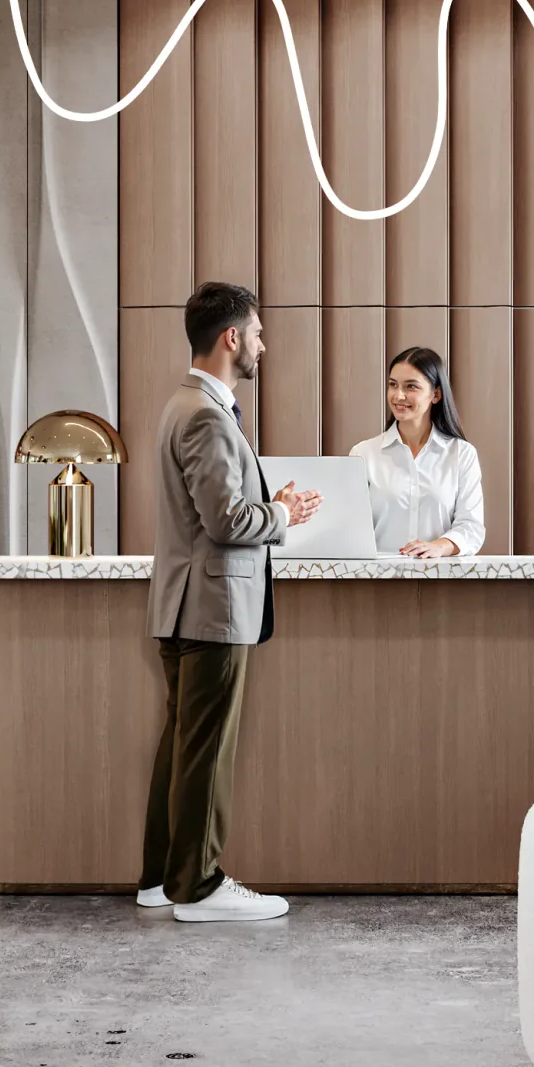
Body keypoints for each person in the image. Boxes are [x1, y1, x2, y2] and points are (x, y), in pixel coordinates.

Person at [142, 282, 321, 921]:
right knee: (207, 750)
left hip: (189, 605)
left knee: (185, 745)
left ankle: (161, 879)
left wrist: (268, 507)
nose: (263, 346)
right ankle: (199, 887)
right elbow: (226, 520)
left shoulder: (186, 404)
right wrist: (283, 512)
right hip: (213, 609)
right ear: (232, 337)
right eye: (259, 334)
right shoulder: (205, 415)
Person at [350, 347, 484, 559]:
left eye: (411, 386)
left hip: (441, 576)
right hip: (377, 576)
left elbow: (471, 527)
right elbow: (350, 527)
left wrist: (439, 546)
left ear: (435, 394)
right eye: (393, 385)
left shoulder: (461, 454)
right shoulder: (363, 454)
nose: (398, 395)